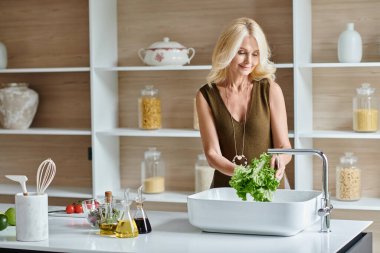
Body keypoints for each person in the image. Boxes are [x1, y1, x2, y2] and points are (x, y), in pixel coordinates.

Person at [196, 17, 292, 188]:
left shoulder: (270, 89)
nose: (249, 61)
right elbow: (212, 154)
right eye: (241, 52)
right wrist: (242, 174)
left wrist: (280, 158)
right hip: (226, 192)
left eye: (255, 54)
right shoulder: (206, 95)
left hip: (267, 191)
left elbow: (284, 146)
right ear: (226, 51)